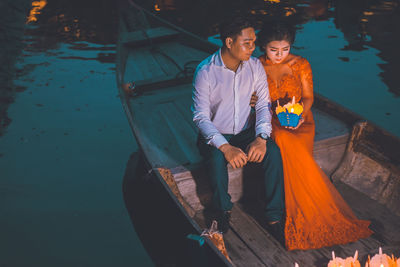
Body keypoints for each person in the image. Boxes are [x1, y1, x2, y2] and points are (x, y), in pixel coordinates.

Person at [252, 21, 373, 250]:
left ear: (291, 47)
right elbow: (254, 99)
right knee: (282, 140)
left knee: (290, 140)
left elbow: (308, 97)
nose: (279, 55)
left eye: (285, 49)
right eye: (273, 50)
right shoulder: (256, 66)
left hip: (300, 119)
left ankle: (303, 205)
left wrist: (299, 115)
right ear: (263, 47)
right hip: (270, 118)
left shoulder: (300, 65)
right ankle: (289, 205)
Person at [191, 16, 285, 238]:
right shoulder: (205, 71)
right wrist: (225, 148)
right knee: (215, 159)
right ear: (229, 42)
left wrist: (261, 137)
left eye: (254, 42)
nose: (253, 47)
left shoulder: (255, 67)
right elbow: (201, 118)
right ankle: (221, 210)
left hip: (245, 132)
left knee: (273, 152)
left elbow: (263, 105)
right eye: (247, 42)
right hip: (215, 135)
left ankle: (275, 215)